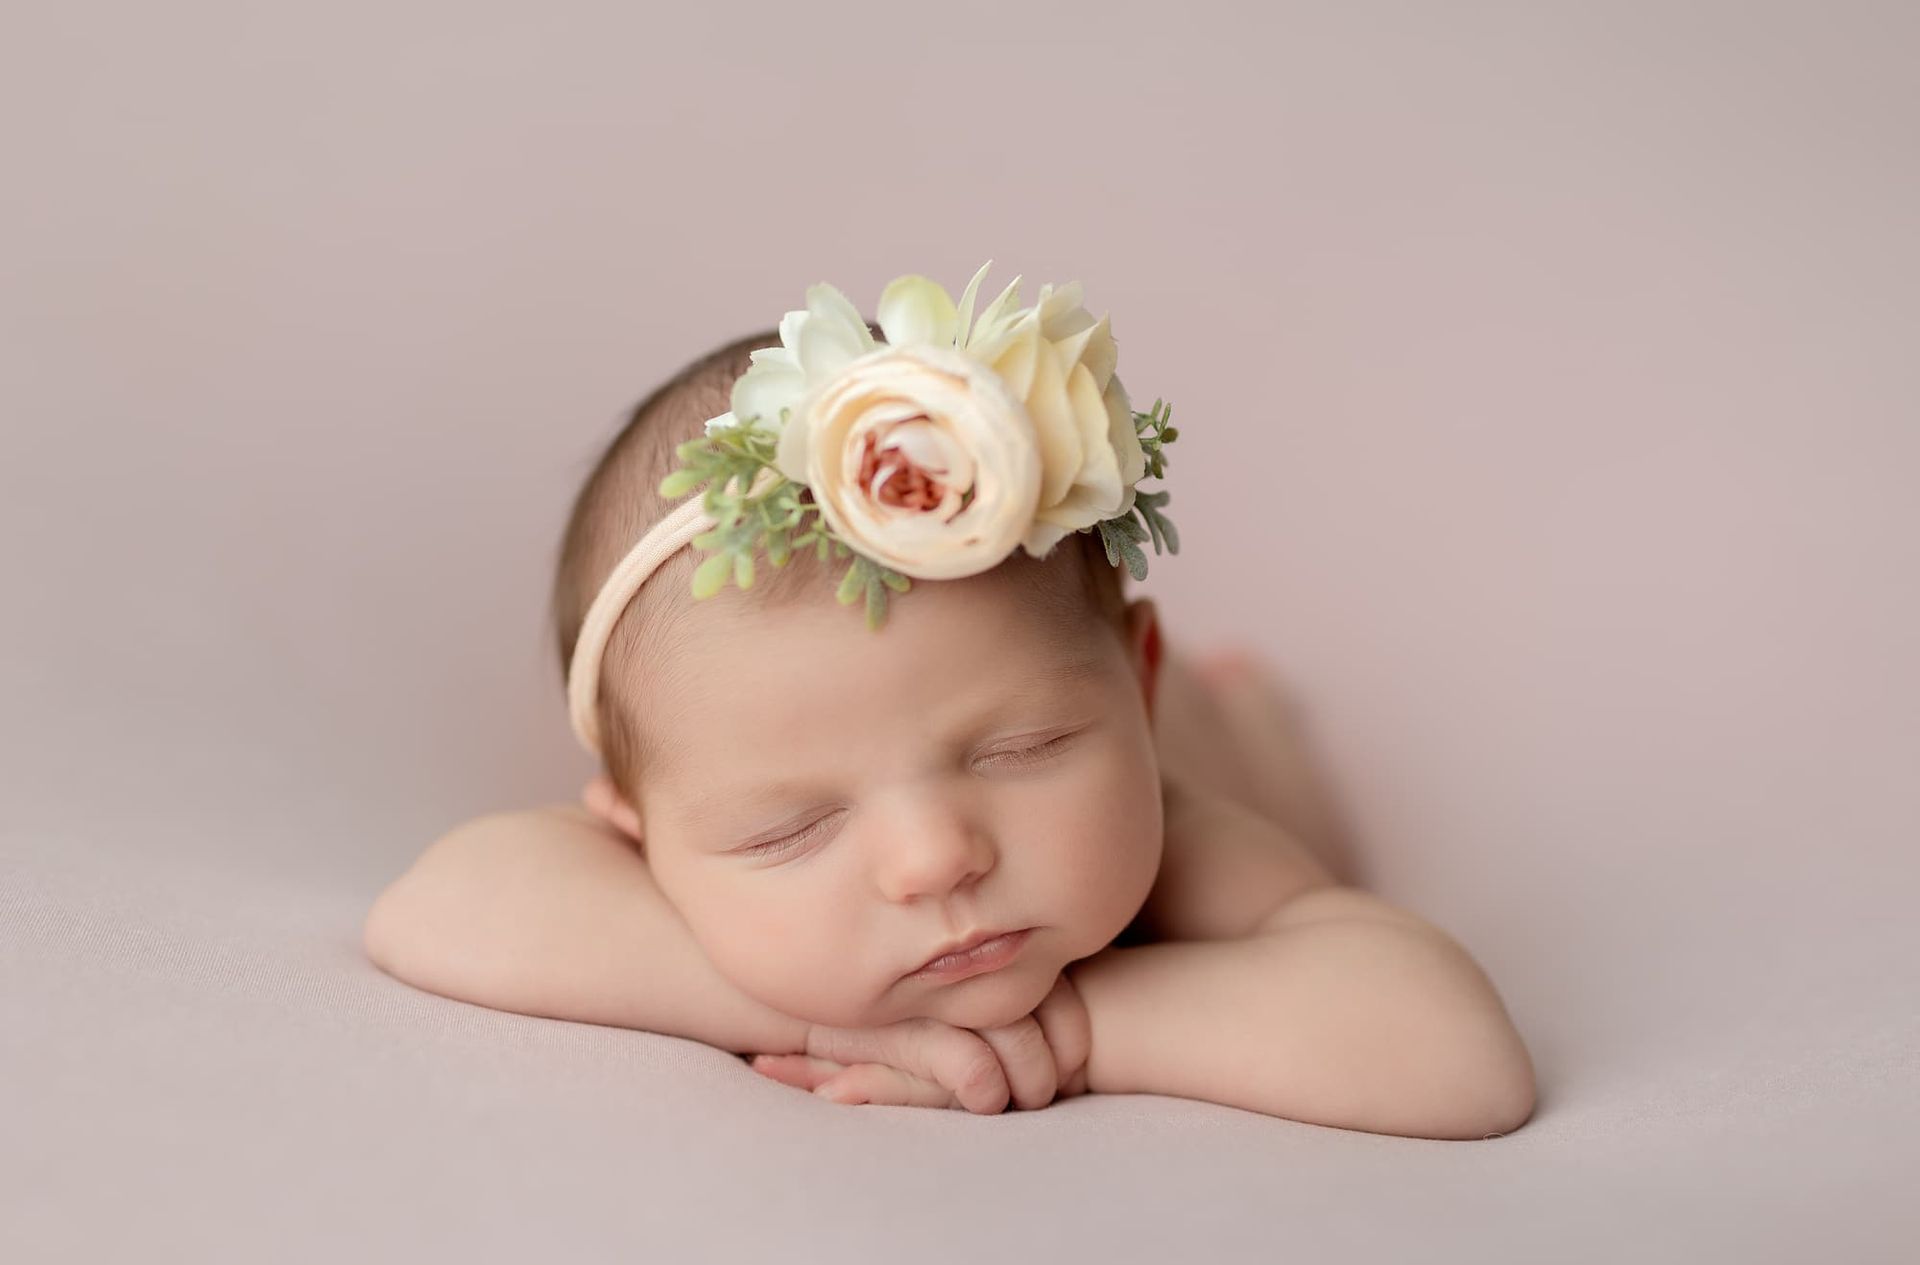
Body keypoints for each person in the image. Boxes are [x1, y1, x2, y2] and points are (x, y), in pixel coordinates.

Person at [362, 262, 1536, 1138]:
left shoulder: (1183, 845)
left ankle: (1242, 704)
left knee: (1266, 771)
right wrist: (817, 1015)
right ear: (637, 832)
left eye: (1024, 747)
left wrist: (1077, 1031)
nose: (934, 858)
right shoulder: (665, 842)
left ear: (1133, 678)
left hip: (1216, 742)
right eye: (791, 827)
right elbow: (433, 905)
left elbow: (1460, 1057)